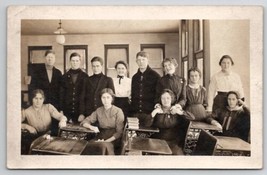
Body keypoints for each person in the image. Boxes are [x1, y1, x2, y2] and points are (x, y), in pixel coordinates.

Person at [21, 89, 67, 154]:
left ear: (43, 99)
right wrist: (27, 126)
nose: (38, 101)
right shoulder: (26, 111)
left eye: (40, 98)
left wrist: (62, 120)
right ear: (32, 99)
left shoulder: (48, 107)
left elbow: (61, 116)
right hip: (35, 140)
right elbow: (14, 123)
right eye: (35, 98)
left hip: (50, 137)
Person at [81, 88, 124, 155]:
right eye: (103, 97)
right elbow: (85, 122)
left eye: (108, 97)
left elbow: (119, 133)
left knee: (103, 146)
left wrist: (105, 141)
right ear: (101, 99)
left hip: (113, 139)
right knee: (87, 145)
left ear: (112, 98)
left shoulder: (118, 111)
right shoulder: (99, 110)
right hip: (100, 136)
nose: (105, 100)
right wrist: (91, 127)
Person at [29, 50, 62, 135]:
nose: (50, 59)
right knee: (42, 128)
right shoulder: (37, 72)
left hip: (55, 105)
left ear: (54, 59)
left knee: (55, 129)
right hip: (41, 104)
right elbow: (32, 88)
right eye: (48, 57)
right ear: (45, 58)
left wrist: (61, 108)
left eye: (52, 57)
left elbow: (61, 91)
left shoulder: (58, 73)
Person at [151, 89, 190, 155]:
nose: (165, 100)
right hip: (158, 140)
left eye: (168, 98)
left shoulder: (175, 110)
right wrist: (153, 113)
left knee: (178, 156)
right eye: (163, 98)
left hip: (173, 142)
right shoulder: (157, 109)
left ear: (172, 99)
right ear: (160, 99)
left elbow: (192, 118)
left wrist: (180, 112)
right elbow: (147, 124)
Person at [131, 51, 160, 127]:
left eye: (143, 59)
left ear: (148, 60)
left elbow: (158, 94)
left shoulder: (155, 76)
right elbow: (133, 95)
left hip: (149, 113)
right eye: (139, 60)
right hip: (136, 112)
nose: (141, 62)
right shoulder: (135, 77)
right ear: (136, 61)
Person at [59, 52, 88, 123]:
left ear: (80, 62)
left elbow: (86, 96)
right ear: (70, 62)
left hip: (80, 112)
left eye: (77, 61)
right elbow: (61, 95)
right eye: (73, 61)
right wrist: (61, 110)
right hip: (66, 111)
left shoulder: (85, 76)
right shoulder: (64, 76)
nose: (75, 63)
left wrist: (82, 113)